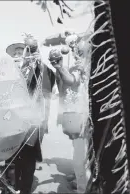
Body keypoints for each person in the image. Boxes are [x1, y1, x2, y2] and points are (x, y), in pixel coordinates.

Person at [5, 35, 55, 194]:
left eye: (22, 51)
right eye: (16, 52)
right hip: (12, 121)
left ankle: (25, 188)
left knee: (27, 157)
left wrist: (37, 58)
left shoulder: (36, 68)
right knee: (13, 156)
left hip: (32, 120)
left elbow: (48, 79)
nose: (19, 54)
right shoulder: (8, 71)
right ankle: (15, 185)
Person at [49, 41, 90, 193]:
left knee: (80, 156)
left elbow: (72, 81)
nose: (74, 54)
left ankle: (82, 188)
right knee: (80, 152)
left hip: (81, 116)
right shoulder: (80, 66)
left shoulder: (82, 67)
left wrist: (59, 67)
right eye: (74, 51)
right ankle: (81, 180)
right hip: (75, 115)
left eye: (78, 51)